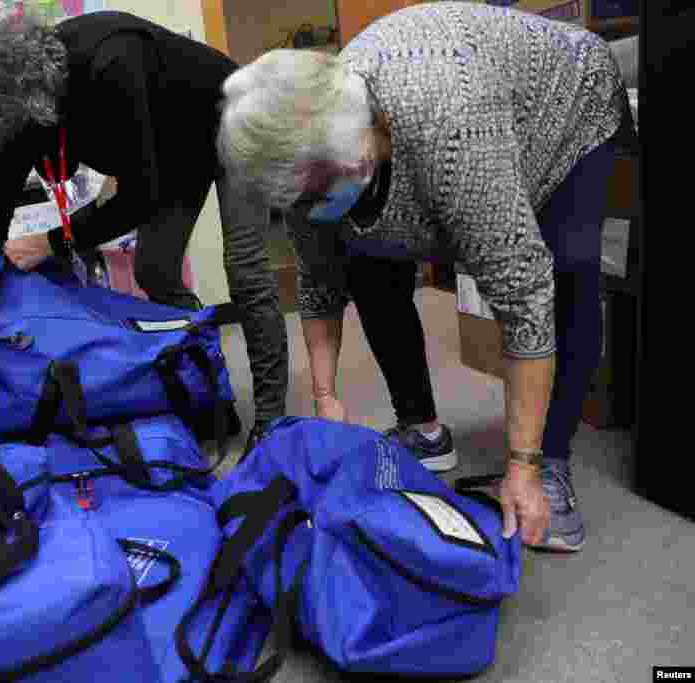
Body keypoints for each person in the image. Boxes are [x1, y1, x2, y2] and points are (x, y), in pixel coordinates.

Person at [216, 1, 635, 552]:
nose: (304, 212)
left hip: (566, 103)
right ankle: (424, 428)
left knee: (562, 273)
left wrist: (522, 463)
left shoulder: (450, 126)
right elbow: (320, 282)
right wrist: (326, 398)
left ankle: (550, 462)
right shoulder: (308, 156)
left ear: (359, 149)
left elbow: (524, 293)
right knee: (363, 257)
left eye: (314, 195)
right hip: (448, 106)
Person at [0, 10, 288, 452]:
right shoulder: (25, 107)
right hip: (175, 142)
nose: (8, 136)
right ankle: (205, 375)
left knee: (245, 269)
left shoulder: (112, 62)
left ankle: (274, 420)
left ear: (30, 96)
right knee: (156, 270)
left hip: (233, 119)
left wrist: (51, 243)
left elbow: (142, 197)